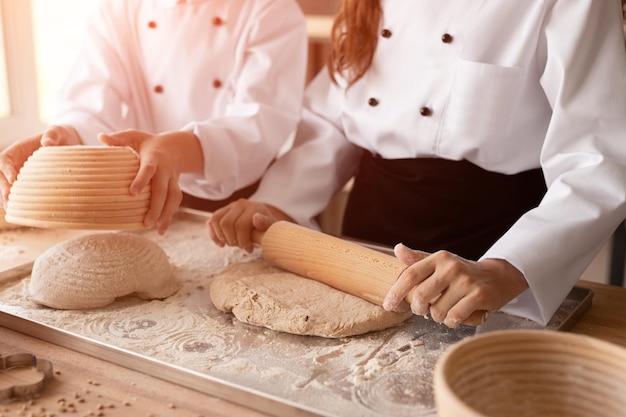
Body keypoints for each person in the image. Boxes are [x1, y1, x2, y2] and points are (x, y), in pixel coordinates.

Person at [208, 0, 626, 328]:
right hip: (365, 249)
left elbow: (597, 157)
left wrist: (506, 269)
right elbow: (333, 118)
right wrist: (279, 203)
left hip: (487, 250)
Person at [0, 0, 308, 234]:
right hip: (140, 197)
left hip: (240, 206)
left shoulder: (271, 9)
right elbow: (93, 96)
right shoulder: (120, 8)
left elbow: (258, 123)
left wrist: (176, 150)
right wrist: (66, 137)